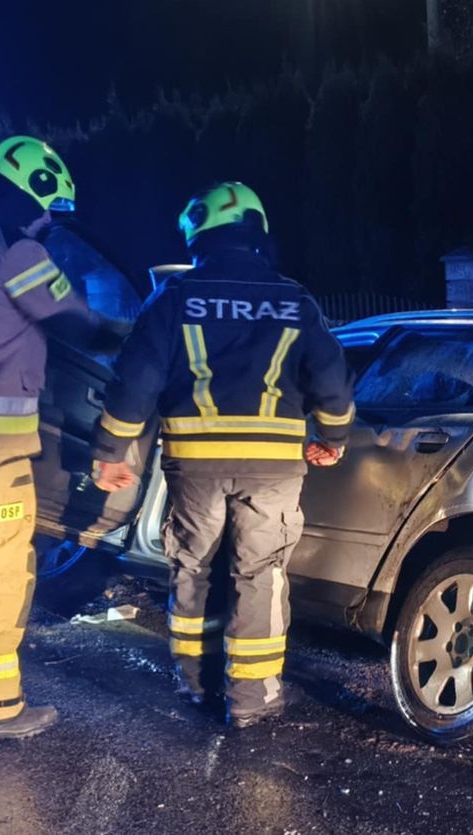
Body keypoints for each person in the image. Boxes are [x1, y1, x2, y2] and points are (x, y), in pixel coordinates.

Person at [92, 182, 353, 728]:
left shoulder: (175, 296)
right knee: (260, 573)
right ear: (257, 233)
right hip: (274, 469)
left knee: (195, 566)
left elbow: (134, 378)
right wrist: (333, 437)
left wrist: (114, 450)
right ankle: (252, 701)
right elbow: (331, 379)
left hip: (195, 466)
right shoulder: (294, 299)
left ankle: (195, 684)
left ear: (197, 237)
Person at [0, 135, 126, 747]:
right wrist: (134, 338)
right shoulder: (16, 248)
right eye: (48, 212)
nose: (49, 225)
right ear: (28, 196)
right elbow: (74, 323)